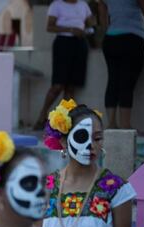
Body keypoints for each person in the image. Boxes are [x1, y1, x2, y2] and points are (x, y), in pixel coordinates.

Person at [34, 0, 95, 130]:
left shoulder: (83, 5)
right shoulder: (57, 5)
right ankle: (42, 115)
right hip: (63, 43)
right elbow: (49, 26)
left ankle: (65, 123)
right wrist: (71, 29)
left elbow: (92, 23)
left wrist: (87, 29)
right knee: (58, 85)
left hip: (79, 44)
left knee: (71, 86)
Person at [98, 0, 144, 130]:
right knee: (127, 82)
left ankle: (112, 124)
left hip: (111, 38)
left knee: (113, 80)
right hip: (133, 37)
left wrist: (107, 29)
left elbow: (102, 9)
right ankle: (125, 126)